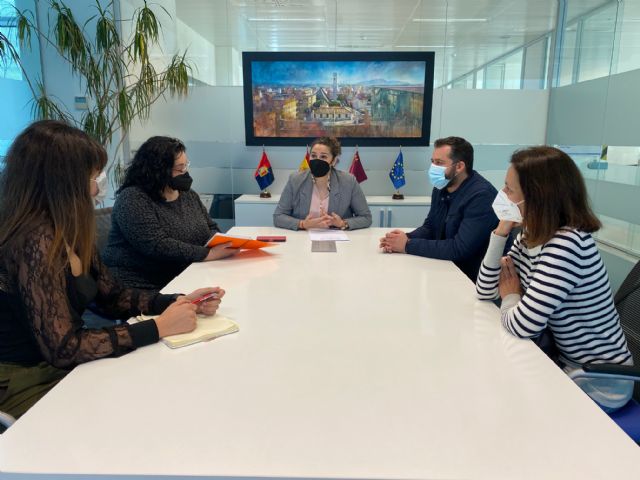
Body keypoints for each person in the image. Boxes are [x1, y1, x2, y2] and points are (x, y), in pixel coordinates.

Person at [0, 121, 225, 419]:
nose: (97, 186)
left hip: (59, 364)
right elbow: (64, 347)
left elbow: (111, 297)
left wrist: (178, 301)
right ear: (61, 181)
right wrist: (159, 327)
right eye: (92, 176)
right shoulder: (35, 240)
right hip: (26, 378)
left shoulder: (68, 227)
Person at [476, 146, 633, 412]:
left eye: (509, 190)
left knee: (505, 408)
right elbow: (485, 289)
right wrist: (501, 230)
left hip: (599, 382)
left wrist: (512, 295)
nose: (502, 195)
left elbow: (523, 325)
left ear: (538, 198)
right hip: (562, 365)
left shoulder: (567, 244)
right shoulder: (532, 235)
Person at [103, 136, 236, 290]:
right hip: (139, 286)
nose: (185, 173)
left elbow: (210, 227)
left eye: (186, 166)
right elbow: (157, 245)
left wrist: (221, 243)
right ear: (158, 170)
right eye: (180, 168)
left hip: (184, 275)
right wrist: (208, 254)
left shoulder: (188, 195)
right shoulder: (132, 199)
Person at [379, 136, 499, 282]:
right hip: (444, 268)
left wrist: (407, 245)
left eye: (439, 163)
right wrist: (403, 238)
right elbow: (430, 227)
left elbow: (459, 248)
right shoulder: (442, 186)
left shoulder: (482, 196)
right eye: (433, 162)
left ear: (460, 166)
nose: (433, 168)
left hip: (471, 279)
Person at [273, 137, 372, 230]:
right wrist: (302, 224)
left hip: (337, 239)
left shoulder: (348, 182)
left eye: (323, 156)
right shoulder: (295, 180)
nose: (317, 160)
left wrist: (342, 223)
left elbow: (366, 218)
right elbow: (278, 217)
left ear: (333, 161)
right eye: (313, 156)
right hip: (303, 238)